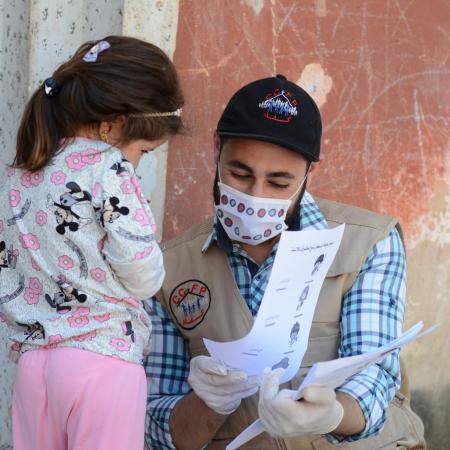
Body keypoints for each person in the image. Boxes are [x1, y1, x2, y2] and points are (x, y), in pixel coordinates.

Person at [144, 75, 425, 449]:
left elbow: (374, 379)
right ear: (217, 150)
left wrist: (332, 413)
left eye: (279, 184)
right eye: (239, 174)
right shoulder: (167, 267)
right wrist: (208, 403)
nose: (255, 196)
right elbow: (156, 427)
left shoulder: (367, 242)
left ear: (310, 173)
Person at [0, 35, 184, 450]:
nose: (139, 161)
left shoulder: (24, 170)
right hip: (102, 362)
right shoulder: (109, 167)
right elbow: (142, 276)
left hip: (34, 366)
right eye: (146, 149)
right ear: (113, 125)